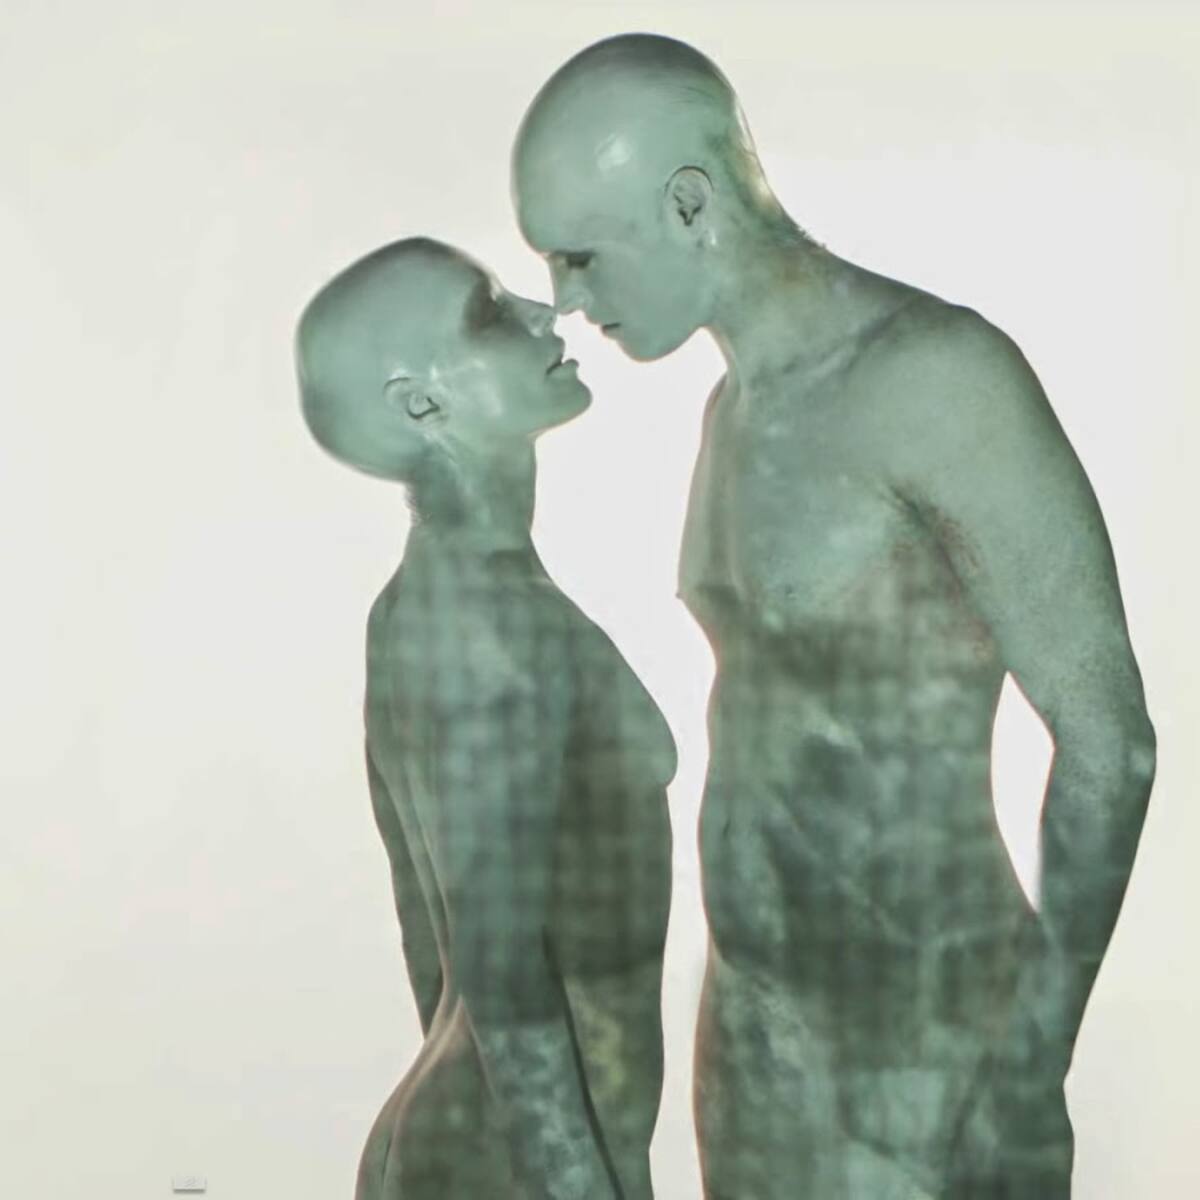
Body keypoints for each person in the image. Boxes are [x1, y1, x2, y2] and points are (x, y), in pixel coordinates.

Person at [513, 34, 1156, 1199]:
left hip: (921, 1051)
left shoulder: (937, 378)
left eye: (580, 257)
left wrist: (1031, 1065)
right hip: (753, 1048)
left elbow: (1111, 744)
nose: (565, 299)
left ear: (689, 203)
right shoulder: (729, 412)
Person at [295, 237, 675, 1200]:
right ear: (421, 404)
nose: (545, 313)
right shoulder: (495, 624)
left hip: (481, 1148)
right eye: (491, 311)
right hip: (513, 1165)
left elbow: (430, 936)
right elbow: (497, 968)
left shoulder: (414, 609)